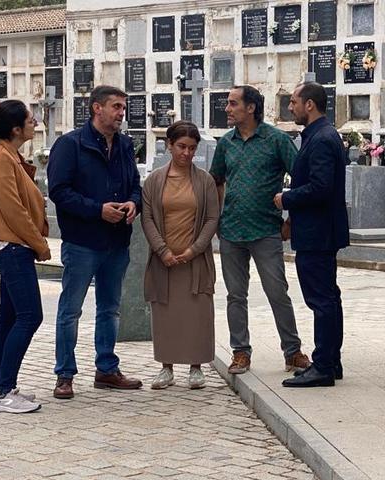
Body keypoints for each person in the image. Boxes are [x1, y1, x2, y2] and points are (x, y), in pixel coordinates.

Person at [47, 85, 143, 399]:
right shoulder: (70, 145)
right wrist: (97, 210)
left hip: (117, 242)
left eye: (123, 108)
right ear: (96, 108)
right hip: (82, 242)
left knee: (110, 309)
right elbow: (60, 192)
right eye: (116, 106)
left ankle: (107, 369)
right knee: (71, 310)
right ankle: (64, 374)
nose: (121, 113)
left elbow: (135, 185)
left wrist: (133, 204)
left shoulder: (126, 145)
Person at [210, 85, 311, 375]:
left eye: (232, 104)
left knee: (277, 292)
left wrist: (291, 220)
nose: (227, 109)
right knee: (235, 296)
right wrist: (217, 218)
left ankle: (292, 352)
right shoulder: (226, 143)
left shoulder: (277, 140)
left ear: (251, 108)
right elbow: (216, 179)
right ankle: (240, 352)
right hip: (231, 231)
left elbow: (300, 178)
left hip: (267, 229)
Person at [0, 100, 48, 413]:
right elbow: (13, 210)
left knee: (9, 316)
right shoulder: (0, 159)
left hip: (12, 244)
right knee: (31, 316)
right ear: (16, 129)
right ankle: (3, 391)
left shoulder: (9, 156)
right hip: (12, 245)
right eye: (31, 120)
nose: (36, 124)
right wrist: (41, 245)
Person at [275, 82, 349, 388]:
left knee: (321, 299)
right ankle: (331, 362)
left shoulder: (320, 139)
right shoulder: (320, 135)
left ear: (309, 105)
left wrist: (286, 199)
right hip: (318, 230)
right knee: (328, 297)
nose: (290, 107)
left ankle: (323, 366)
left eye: (293, 102)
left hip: (318, 233)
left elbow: (320, 187)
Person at [141, 121, 219, 389]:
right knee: (166, 315)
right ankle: (166, 366)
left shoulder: (204, 181)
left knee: (197, 314)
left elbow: (211, 218)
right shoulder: (154, 181)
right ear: (169, 146)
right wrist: (162, 250)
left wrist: (193, 250)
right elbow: (148, 218)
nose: (186, 153)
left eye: (192, 148)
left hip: (194, 260)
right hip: (165, 261)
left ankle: (196, 366)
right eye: (181, 147)